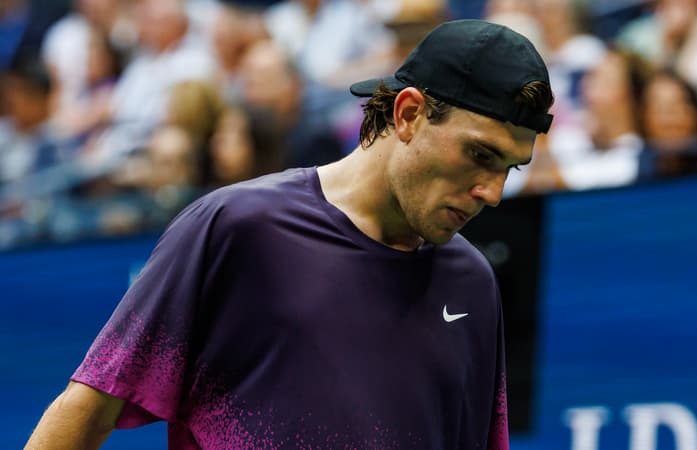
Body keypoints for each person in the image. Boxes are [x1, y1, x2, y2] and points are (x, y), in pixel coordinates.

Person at [24, 19, 554, 449]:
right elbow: (88, 410)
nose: (492, 192)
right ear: (409, 113)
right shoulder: (235, 228)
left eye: (509, 167)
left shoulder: (474, 284)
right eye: (480, 154)